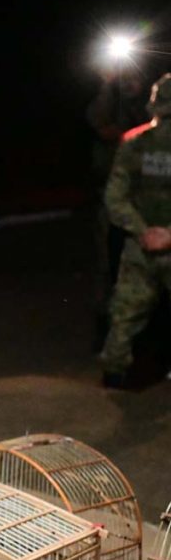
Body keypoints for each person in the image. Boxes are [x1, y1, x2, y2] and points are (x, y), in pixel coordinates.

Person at [99, 73, 171, 388]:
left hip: (141, 245)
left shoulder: (134, 142)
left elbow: (115, 197)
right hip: (160, 241)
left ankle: (114, 375)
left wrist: (143, 231)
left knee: (125, 313)